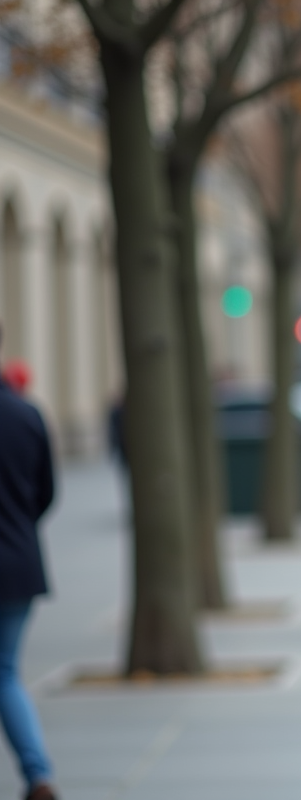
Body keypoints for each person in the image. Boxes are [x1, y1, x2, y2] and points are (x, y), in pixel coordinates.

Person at [0, 325, 59, 800]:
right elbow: (46, 492)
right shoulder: (27, 414)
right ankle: (38, 774)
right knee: (5, 671)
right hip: (18, 564)